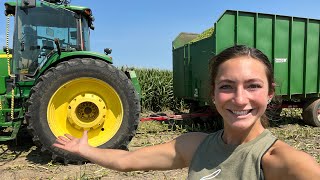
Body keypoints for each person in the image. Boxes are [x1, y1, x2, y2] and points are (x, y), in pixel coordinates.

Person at [53, 45, 320, 179]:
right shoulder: (195, 145)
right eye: (227, 87)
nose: (240, 99)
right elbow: (128, 161)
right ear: (213, 93)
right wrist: (86, 151)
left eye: (253, 86)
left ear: (270, 93)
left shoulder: (278, 160)